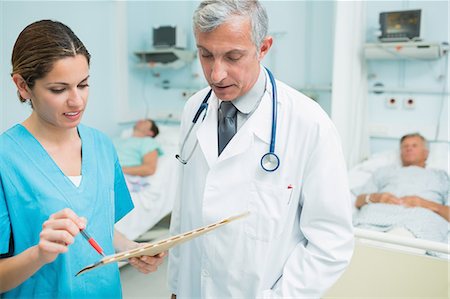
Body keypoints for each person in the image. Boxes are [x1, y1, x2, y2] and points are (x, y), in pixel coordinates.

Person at [168, 1, 354, 298]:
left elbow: (331, 241)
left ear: (263, 47)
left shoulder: (309, 123)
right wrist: (177, 286)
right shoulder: (194, 108)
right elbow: (185, 210)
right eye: (205, 55)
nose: (216, 75)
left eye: (233, 57)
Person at [0, 20, 164, 298]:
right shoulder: (6, 159)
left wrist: (132, 249)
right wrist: (40, 253)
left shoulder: (101, 145)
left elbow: (100, 228)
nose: (77, 101)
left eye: (83, 85)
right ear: (23, 86)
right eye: (58, 89)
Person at [353, 133, 449, 244]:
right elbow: (358, 201)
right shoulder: (383, 171)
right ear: (400, 152)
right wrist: (376, 197)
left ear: (426, 153)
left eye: (414, 145)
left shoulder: (441, 176)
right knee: (362, 234)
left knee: (407, 238)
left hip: (420, 217)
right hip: (378, 213)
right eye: (405, 146)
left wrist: (425, 204)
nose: (409, 148)